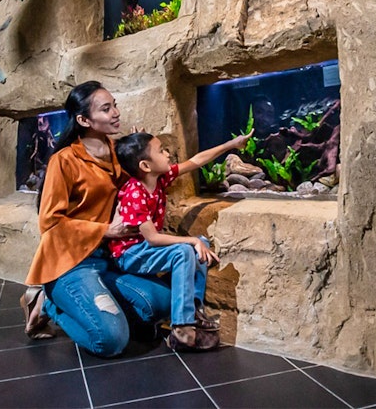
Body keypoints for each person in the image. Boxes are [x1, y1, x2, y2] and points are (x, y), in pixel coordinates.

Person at [21, 80, 173, 357]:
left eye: (114, 105)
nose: (115, 112)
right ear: (83, 119)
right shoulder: (64, 160)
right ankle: (50, 304)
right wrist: (106, 230)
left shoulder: (119, 153)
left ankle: (100, 305)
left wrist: (142, 153)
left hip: (111, 260)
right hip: (71, 264)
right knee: (111, 340)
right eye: (106, 109)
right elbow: (50, 222)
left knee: (165, 303)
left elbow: (140, 186)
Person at [110, 129, 252, 350]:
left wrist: (230, 145)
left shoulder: (160, 179)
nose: (167, 154)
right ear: (145, 166)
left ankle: (193, 309)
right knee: (186, 249)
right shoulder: (134, 194)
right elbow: (153, 238)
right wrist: (190, 241)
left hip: (145, 248)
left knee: (202, 243)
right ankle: (182, 329)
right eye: (161, 151)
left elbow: (196, 161)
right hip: (129, 254)